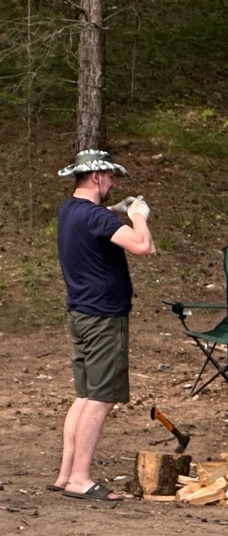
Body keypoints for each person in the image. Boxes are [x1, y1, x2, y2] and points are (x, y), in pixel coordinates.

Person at [53, 149, 154, 501]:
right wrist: (138, 215)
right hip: (103, 318)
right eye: (110, 176)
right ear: (96, 177)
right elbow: (143, 245)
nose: (112, 181)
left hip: (81, 314)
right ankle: (80, 478)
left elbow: (96, 220)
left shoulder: (71, 210)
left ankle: (65, 475)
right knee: (101, 398)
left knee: (84, 396)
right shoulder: (94, 216)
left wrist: (116, 210)